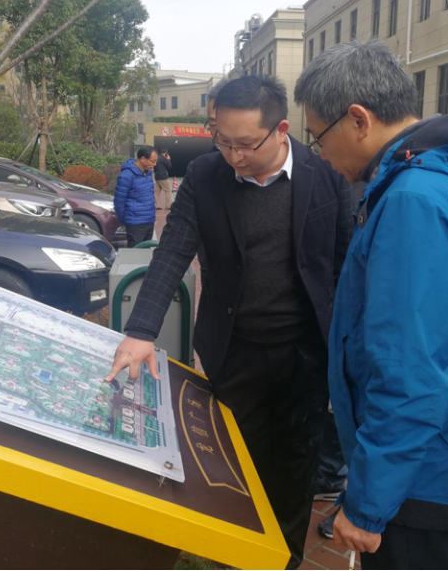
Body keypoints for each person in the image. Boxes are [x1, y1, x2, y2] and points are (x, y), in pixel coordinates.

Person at [107, 75, 352, 569]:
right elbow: (173, 250)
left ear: (280, 130)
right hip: (234, 349)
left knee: (294, 466)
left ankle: (282, 560)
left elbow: (345, 261)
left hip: (305, 353)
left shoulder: (325, 174)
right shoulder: (205, 175)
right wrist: (140, 331)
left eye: (246, 144)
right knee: (231, 464)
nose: (234, 155)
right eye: (222, 140)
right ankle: (232, 556)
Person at [295, 40, 448, 569]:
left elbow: (408, 371)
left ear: (358, 120)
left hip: (419, 480)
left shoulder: (414, 200)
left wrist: (368, 505)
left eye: (318, 137)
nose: (321, 155)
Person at [114, 146, 157, 247]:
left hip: (149, 220)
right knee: (135, 252)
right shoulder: (126, 176)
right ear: (143, 159)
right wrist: (125, 221)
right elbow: (119, 201)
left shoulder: (148, 173)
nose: (154, 164)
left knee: (146, 251)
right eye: (153, 161)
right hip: (135, 224)